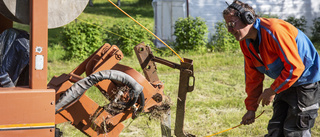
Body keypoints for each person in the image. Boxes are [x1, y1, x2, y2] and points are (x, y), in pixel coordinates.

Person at [223, 0, 320, 136]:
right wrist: (251, 108)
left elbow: (295, 67)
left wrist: (272, 90)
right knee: (275, 129)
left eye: (232, 24)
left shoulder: (274, 30)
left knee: (296, 131)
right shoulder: (246, 43)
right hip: (284, 83)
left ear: (248, 18)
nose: (229, 30)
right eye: (227, 25)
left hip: (306, 83)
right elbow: (253, 77)